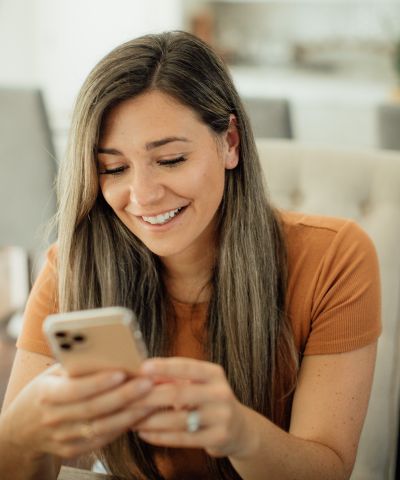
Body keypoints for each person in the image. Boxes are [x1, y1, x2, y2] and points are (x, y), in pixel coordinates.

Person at [0, 31, 381, 480]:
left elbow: (328, 470)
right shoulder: (74, 265)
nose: (142, 195)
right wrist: (20, 436)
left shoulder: (333, 257)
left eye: (171, 159)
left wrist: (240, 433)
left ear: (230, 143)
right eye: (114, 169)